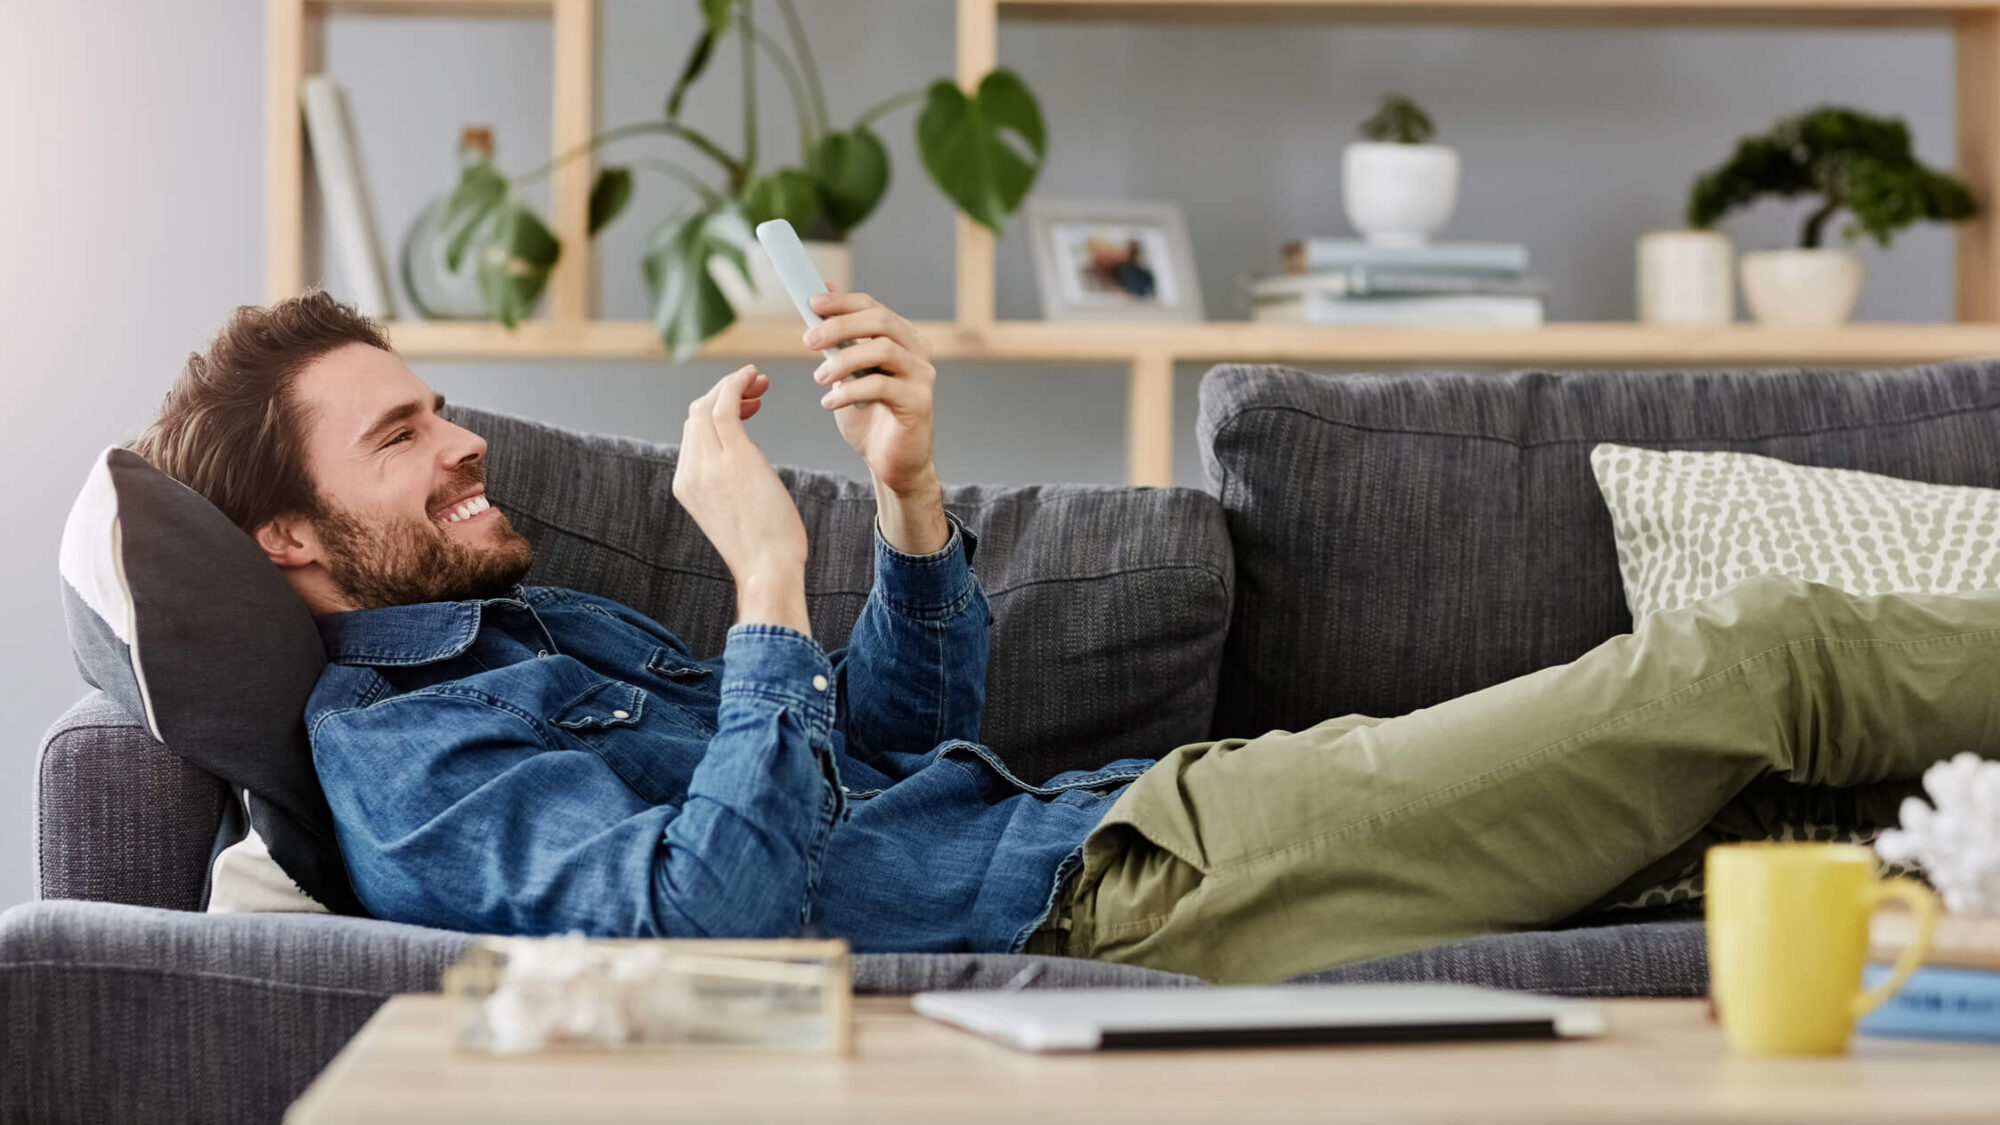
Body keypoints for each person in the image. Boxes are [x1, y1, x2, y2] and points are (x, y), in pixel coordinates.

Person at [132, 289, 2000, 985]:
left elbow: (878, 754)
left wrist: (911, 501)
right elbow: (718, 925)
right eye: (400, 436)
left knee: (1733, 748)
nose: (462, 436)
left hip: (1146, 820)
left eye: (436, 400)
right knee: (1747, 659)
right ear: (291, 540)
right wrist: (767, 584)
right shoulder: (405, 760)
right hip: (1136, 887)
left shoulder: (526, 630)